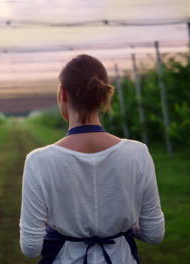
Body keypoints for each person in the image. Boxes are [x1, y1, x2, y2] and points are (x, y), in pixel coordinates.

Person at [19, 54, 165, 264]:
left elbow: (31, 247)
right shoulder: (138, 153)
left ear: (62, 93)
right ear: (104, 96)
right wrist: (120, 225)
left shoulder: (39, 161)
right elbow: (154, 234)